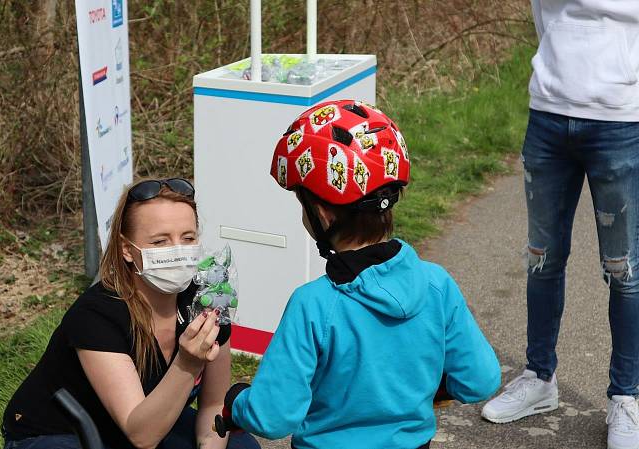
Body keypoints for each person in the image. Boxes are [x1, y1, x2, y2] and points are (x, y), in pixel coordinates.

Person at [215, 100, 501, 448]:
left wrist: (237, 403)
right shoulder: (436, 284)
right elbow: (480, 380)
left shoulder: (313, 304)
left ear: (321, 213)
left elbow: (273, 416)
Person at [481, 3, 639, 448]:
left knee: (623, 270)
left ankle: (626, 397)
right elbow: (543, 14)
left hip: (622, 120)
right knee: (541, 258)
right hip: (548, 114)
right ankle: (539, 378)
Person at [1, 178, 260, 449]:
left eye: (188, 238)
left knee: (242, 446)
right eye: (160, 241)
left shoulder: (205, 300)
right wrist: (188, 363)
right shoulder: (97, 314)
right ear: (127, 250)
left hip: (146, 417)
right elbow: (142, 437)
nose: (178, 250)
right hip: (60, 433)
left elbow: (214, 406)